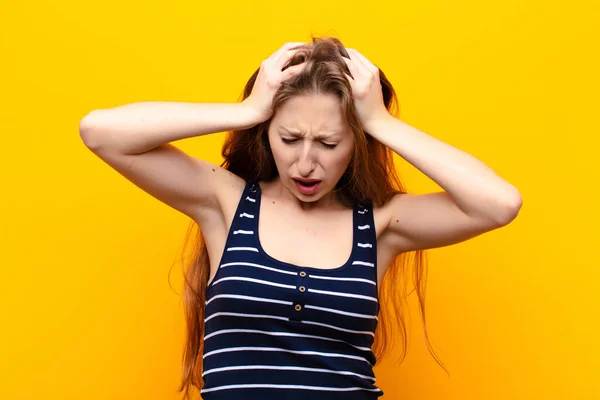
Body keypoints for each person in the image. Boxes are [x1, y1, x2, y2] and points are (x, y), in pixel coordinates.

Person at [79, 36, 522, 399]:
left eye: (329, 144)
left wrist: (381, 123)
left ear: (356, 143)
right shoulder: (226, 202)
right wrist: (246, 110)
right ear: (267, 130)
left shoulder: (381, 223)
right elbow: (100, 132)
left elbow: (498, 204)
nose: (305, 163)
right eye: (289, 138)